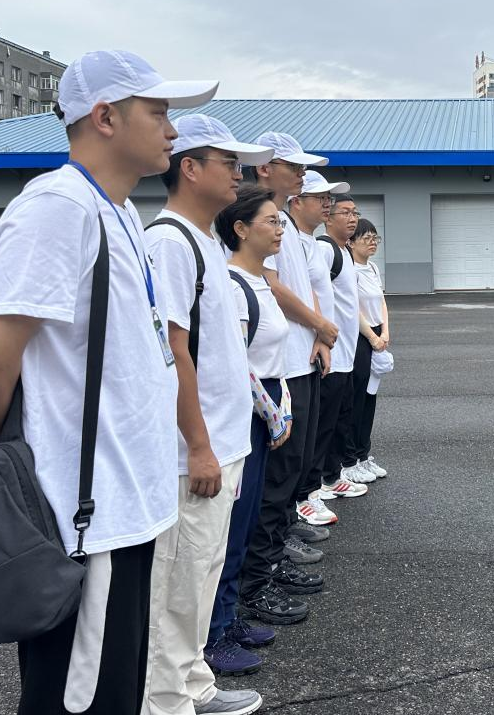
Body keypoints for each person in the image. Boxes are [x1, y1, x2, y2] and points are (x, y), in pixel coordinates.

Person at [0, 50, 216, 715]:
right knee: (79, 704)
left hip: (125, 507)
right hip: (88, 521)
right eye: (158, 113)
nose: (172, 129)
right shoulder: (57, 209)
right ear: (105, 117)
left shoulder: (120, 215)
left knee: (114, 696)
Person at [143, 116, 273, 715]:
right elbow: (171, 349)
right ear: (190, 169)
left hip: (224, 441)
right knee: (177, 585)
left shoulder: (202, 242)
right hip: (193, 450)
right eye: (229, 162)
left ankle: (194, 685)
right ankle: (166, 700)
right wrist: (197, 445)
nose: (240, 175)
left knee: (200, 577)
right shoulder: (169, 242)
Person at [237, 133, 333, 621]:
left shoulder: (288, 229)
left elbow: (305, 287)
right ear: (263, 169)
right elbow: (271, 285)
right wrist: (318, 324)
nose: (300, 174)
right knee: (273, 482)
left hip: (299, 360)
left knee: (290, 475)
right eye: (291, 165)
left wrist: (318, 336)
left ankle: (270, 564)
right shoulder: (258, 224)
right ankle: (255, 583)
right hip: (275, 369)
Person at [204, 185, 296, 678]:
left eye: (281, 222)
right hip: (245, 418)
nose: (279, 229)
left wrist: (283, 405)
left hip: (265, 413)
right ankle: (212, 635)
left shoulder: (260, 282)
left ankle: (230, 616)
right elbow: (237, 365)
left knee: (247, 522)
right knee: (229, 528)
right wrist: (273, 413)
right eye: (271, 222)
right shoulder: (233, 285)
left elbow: (271, 357)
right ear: (240, 229)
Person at [285, 170, 358, 523]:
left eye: (331, 199)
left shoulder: (311, 242)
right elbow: (280, 290)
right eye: (321, 198)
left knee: (318, 428)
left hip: (319, 348)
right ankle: (302, 498)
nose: (328, 205)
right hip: (296, 353)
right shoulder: (287, 238)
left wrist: (321, 335)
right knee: (303, 435)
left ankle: (310, 491)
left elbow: (316, 292)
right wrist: (320, 328)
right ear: (296, 201)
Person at [312, 194, 371, 499]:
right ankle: (319, 481)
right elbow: (312, 291)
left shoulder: (344, 252)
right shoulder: (324, 249)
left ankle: (333, 475)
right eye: (345, 212)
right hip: (332, 354)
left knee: (340, 418)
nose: (352, 218)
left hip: (346, 353)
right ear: (328, 217)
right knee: (325, 422)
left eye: (355, 212)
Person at [348, 217, 390, 481]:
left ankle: (364, 455)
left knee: (370, 397)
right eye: (367, 238)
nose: (372, 243)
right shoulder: (348, 270)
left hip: (376, 334)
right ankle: (349, 460)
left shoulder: (372, 268)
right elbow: (352, 309)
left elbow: (382, 302)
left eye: (375, 238)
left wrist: (384, 332)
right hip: (359, 338)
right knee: (356, 400)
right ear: (351, 242)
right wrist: (373, 339)